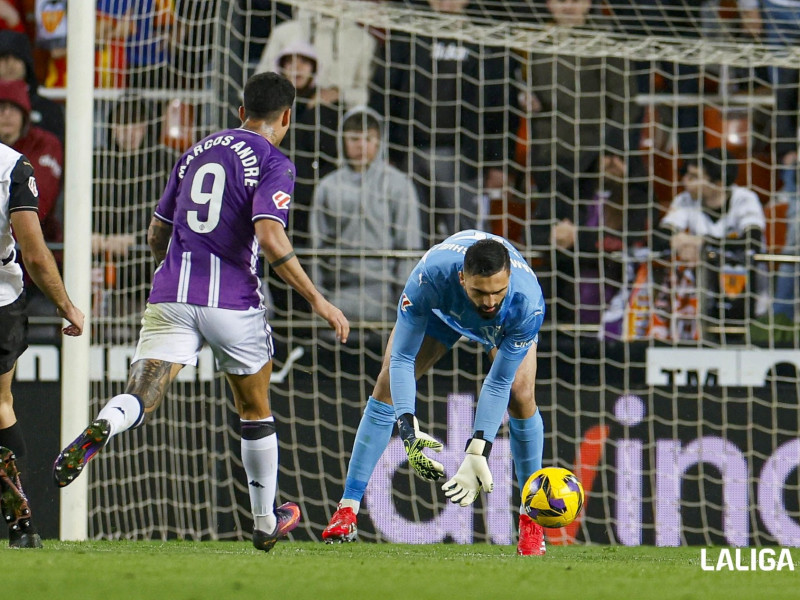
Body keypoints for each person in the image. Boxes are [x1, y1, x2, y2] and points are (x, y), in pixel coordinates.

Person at [52, 72, 350, 552]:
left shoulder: (196, 151)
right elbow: (271, 234)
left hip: (170, 293)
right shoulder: (275, 161)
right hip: (233, 301)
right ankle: (263, 520)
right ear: (287, 117)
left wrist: (166, 276)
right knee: (254, 409)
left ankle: (105, 423)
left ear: (240, 112)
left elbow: (156, 232)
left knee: (141, 394)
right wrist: (317, 299)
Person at [322, 230, 548, 556]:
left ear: (509, 278)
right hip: (445, 312)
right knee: (387, 385)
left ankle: (531, 521)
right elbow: (401, 358)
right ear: (461, 278)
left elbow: (497, 382)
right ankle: (346, 510)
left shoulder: (525, 303)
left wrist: (476, 451)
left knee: (520, 392)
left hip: (504, 327)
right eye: (480, 292)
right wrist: (407, 427)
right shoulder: (430, 277)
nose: (489, 301)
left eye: (497, 291)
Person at [0, 140, 84, 548]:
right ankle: (20, 527)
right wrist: (65, 304)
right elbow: (34, 253)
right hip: (0, 300)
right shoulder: (11, 165)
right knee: (0, 405)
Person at [370, 0, 510, 243]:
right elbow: (385, 91)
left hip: (461, 157)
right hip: (410, 154)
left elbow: (498, 105)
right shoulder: (408, 33)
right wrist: (388, 149)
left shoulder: (485, 38)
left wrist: (497, 161)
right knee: (412, 233)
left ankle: (469, 281)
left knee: (466, 236)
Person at [310, 106, 422, 324]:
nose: (361, 146)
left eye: (368, 139)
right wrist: (319, 298)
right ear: (342, 141)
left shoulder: (398, 184)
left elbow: (409, 245)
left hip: (386, 296)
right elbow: (317, 246)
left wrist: (403, 300)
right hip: (338, 294)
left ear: (379, 141)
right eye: (353, 139)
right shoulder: (327, 186)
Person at [653, 148, 765, 339]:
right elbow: (659, 238)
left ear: (718, 183)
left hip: (744, 285)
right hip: (701, 286)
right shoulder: (685, 199)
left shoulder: (745, 199)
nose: (685, 181)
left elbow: (752, 242)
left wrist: (703, 243)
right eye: (687, 174)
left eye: (695, 176)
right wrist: (679, 243)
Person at [255, 3, 376, 109]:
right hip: (286, 112)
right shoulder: (284, 32)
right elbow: (259, 84)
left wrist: (338, 94)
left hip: (337, 115)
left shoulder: (362, 39)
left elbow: (364, 94)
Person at [0, 29, 64, 142]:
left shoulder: (48, 110)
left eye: (17, 58)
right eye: (4, 58)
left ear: (27, 64)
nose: (10, 65)